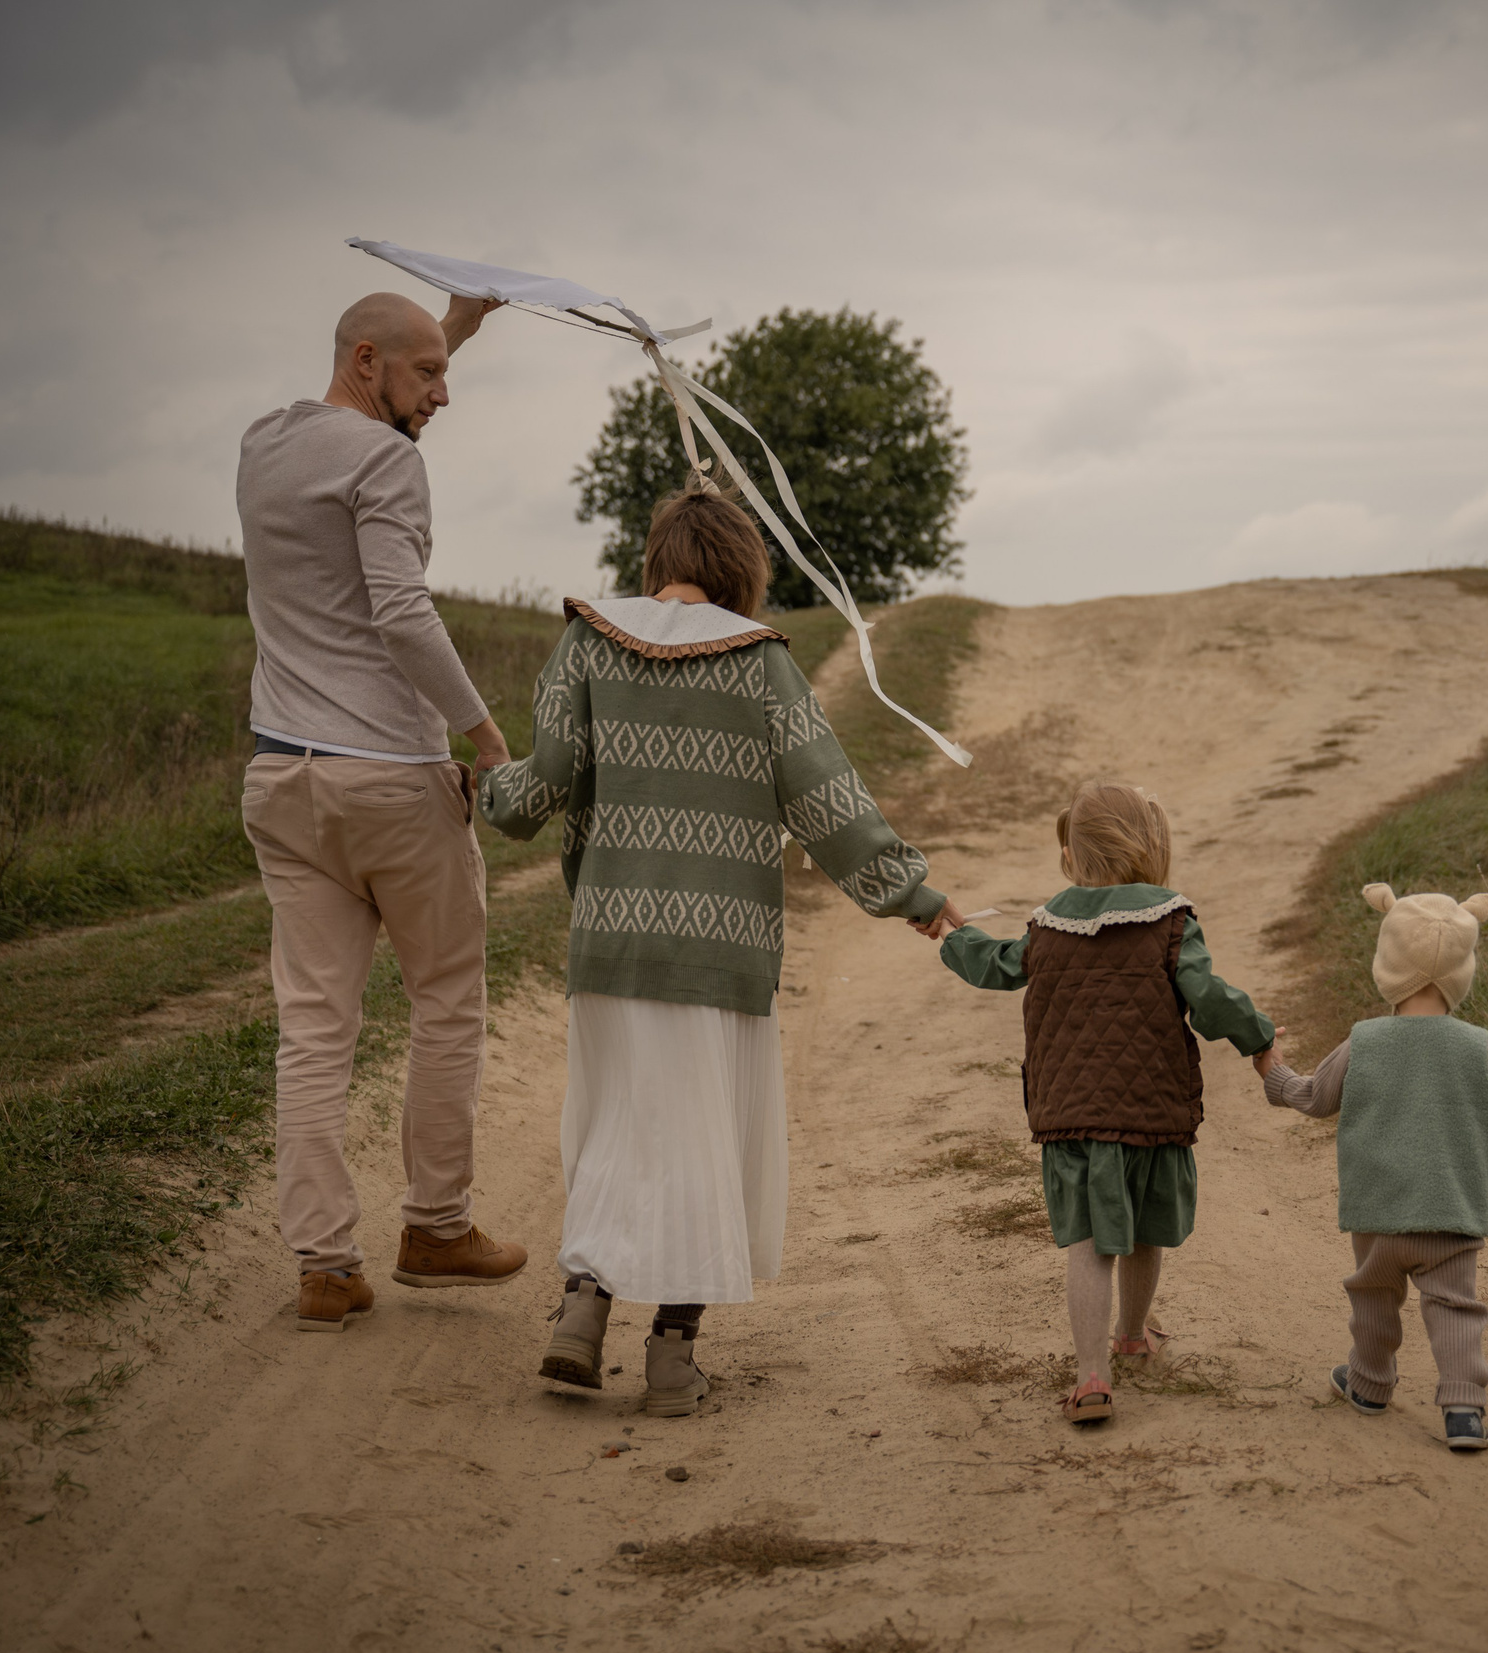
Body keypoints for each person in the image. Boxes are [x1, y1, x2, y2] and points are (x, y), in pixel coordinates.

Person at [478, 476, 955, 1413]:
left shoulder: (587, 642)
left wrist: (486, 786)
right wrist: (913, 894)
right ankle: (670, 1358)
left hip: (611, 939)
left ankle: (581, 1311)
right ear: (743, 573)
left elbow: (543, 787)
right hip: (722, 951)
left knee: (615, 1126)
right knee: (704, 1145)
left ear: (655, 563)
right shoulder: (760, 662)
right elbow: (828, 800)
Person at [237, 289, 531, 1333]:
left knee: (314, 1027)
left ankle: (325, 1266)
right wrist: (486, 738)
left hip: (284, 779)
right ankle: (435, 1227)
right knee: (445, 998)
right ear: (367, 362)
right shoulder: (389, 463)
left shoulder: (264, 444)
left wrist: (453, 329)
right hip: (393, 781)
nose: (442, 395)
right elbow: (401, 610)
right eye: (429, 375)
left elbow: (364, 411)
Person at [935, 782, 1277, 1425]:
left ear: (1071, 856)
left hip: (1071, 1114)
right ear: (1153, 846)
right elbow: (1207, 996)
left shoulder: (1048, 925)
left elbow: (996, 964)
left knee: (1090, 1242)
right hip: (1150, 1107)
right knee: (1144, 1228)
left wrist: (953, 933)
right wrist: (1258, 1038)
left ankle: (1092, 1375)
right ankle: (1133, 1336)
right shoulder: (1171, 921)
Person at [1258, 884, 1488, 1453]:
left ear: (1387, 962)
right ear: (1462, 972)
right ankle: (1463, 1411)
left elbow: (1315, 1097)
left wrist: (1274, 1072)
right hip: (1450, 1213)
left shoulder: (1364, 1041)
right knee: (1455, 1307)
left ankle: (1369, 1384)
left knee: (1373, 1295)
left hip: (1378, 1212)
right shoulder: (1477, 1045)